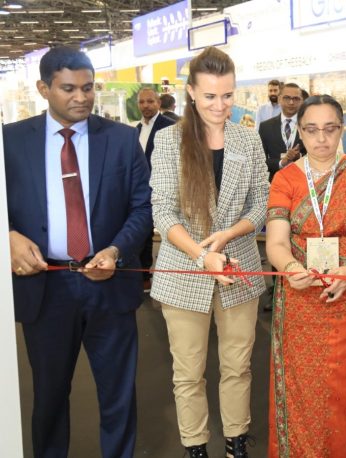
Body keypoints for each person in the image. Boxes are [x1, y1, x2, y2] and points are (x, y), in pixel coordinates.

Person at [4, 46, 152, 458]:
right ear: (43, 89)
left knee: (118, 397)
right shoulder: (10, 142)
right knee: (49, 397)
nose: (81, 97)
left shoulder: (122, 140)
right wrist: (8, 236)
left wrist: (116, 250)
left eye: (88, 88)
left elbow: (142, 207)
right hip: (45, 286)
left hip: (110, 285)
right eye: (68, 88)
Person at [149, 46, 269, 458]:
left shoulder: (248, 139)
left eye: (228, 95)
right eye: (210, 96)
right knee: (188, 372)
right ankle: (195, 447)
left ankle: (237, 442)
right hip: (184, 270)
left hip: (239, 267)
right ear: (191, 93)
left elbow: (261, 202)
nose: (220, 105)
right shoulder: (168, 140)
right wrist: (203, 256)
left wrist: (229, 234)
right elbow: (163, 211)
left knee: (238, 366)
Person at [265, 94, 346, 457]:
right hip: (299, 303)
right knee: (302, 390)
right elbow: (276, 242)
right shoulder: (285, 179)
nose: (321, 138)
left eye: (329, 129)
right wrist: (290, 268)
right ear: (300, 132)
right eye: (311, 130)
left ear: (342, 130)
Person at [136, 86, 175, 290]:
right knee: (142, 232)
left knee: (170, 232)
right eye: (142, 102)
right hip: (140, 190)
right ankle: (143, 275)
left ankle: (169, 280)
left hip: (164, 189)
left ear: (159, 103)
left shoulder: (171, 127)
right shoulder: (135, 130)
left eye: (150, 101)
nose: (146, 106)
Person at [258, 82, 306, 183]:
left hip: (303, 182)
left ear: (301, 101)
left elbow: (317, 157)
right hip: (275, 183)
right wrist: (281, 162)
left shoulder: (309, 126)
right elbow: (260, 161)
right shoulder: (265, 127)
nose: (291, 102)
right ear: (279, 99)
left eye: (296, 98)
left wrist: (299, 157)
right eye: (287, 98)